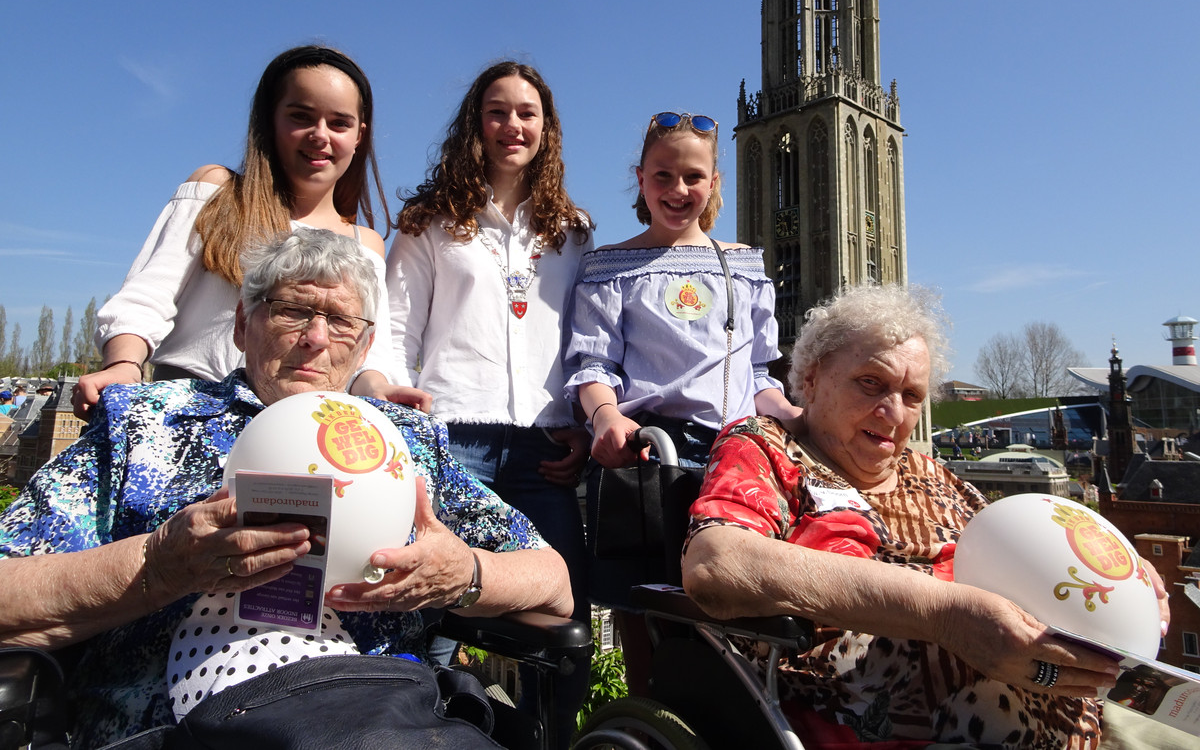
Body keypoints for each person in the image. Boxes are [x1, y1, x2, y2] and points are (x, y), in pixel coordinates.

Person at [0, 229, 570, 749]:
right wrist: (158, 565)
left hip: (378, 713)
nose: (316, 339)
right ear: (243, 327)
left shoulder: (405, 441)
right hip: (174, 728)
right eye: (293, 311)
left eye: (340, 321)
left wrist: (463, 574)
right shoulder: (144, 423)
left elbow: (554, 582)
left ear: (365, 345)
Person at [682, 283, 1170, 749]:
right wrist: (945, 617)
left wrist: (1119, 582)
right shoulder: (767, 448)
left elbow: (1028, 555)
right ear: (809, 377)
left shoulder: (934, 475)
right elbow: (716, 564)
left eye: (912, 396)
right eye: (870, 384)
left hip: (1074, 712)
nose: (893, 412)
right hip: (891, 729)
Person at [386, 60, 593, 742]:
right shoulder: (430, 221)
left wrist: (584, 422)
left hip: (546, 449)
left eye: (527, 113)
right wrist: (394, 395)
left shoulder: (573, 230)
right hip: (454, 442)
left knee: (562, 629)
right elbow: (393, 327)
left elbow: (586, 341)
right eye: (498, 111)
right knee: (432, 613)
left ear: (547, 128)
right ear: (476, 123)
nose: (513, 126)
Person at [563, 110, 798, 692]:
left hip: (736, 459)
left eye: (693, 177)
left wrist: (794, 417)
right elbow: (592, 366)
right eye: (663, 177)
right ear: (640, 180)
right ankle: (646, 717)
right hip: (647, 456)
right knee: (640, 603)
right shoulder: (610, 268)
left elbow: (760, 373)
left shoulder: (741, 266)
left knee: (728, 605)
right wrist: (606, 415)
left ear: (714, 182)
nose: (678, 190)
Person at [74, 45, 425, 420]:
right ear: (270, 121)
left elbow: (367, 351)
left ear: (359, 135)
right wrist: (124, 364)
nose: (320, 135)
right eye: (301, 117)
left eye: (339, 123)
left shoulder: (364, 242)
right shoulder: (217, 190)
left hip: (300, 428)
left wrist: (380, 390)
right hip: (189, 411)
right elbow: (147, 296)